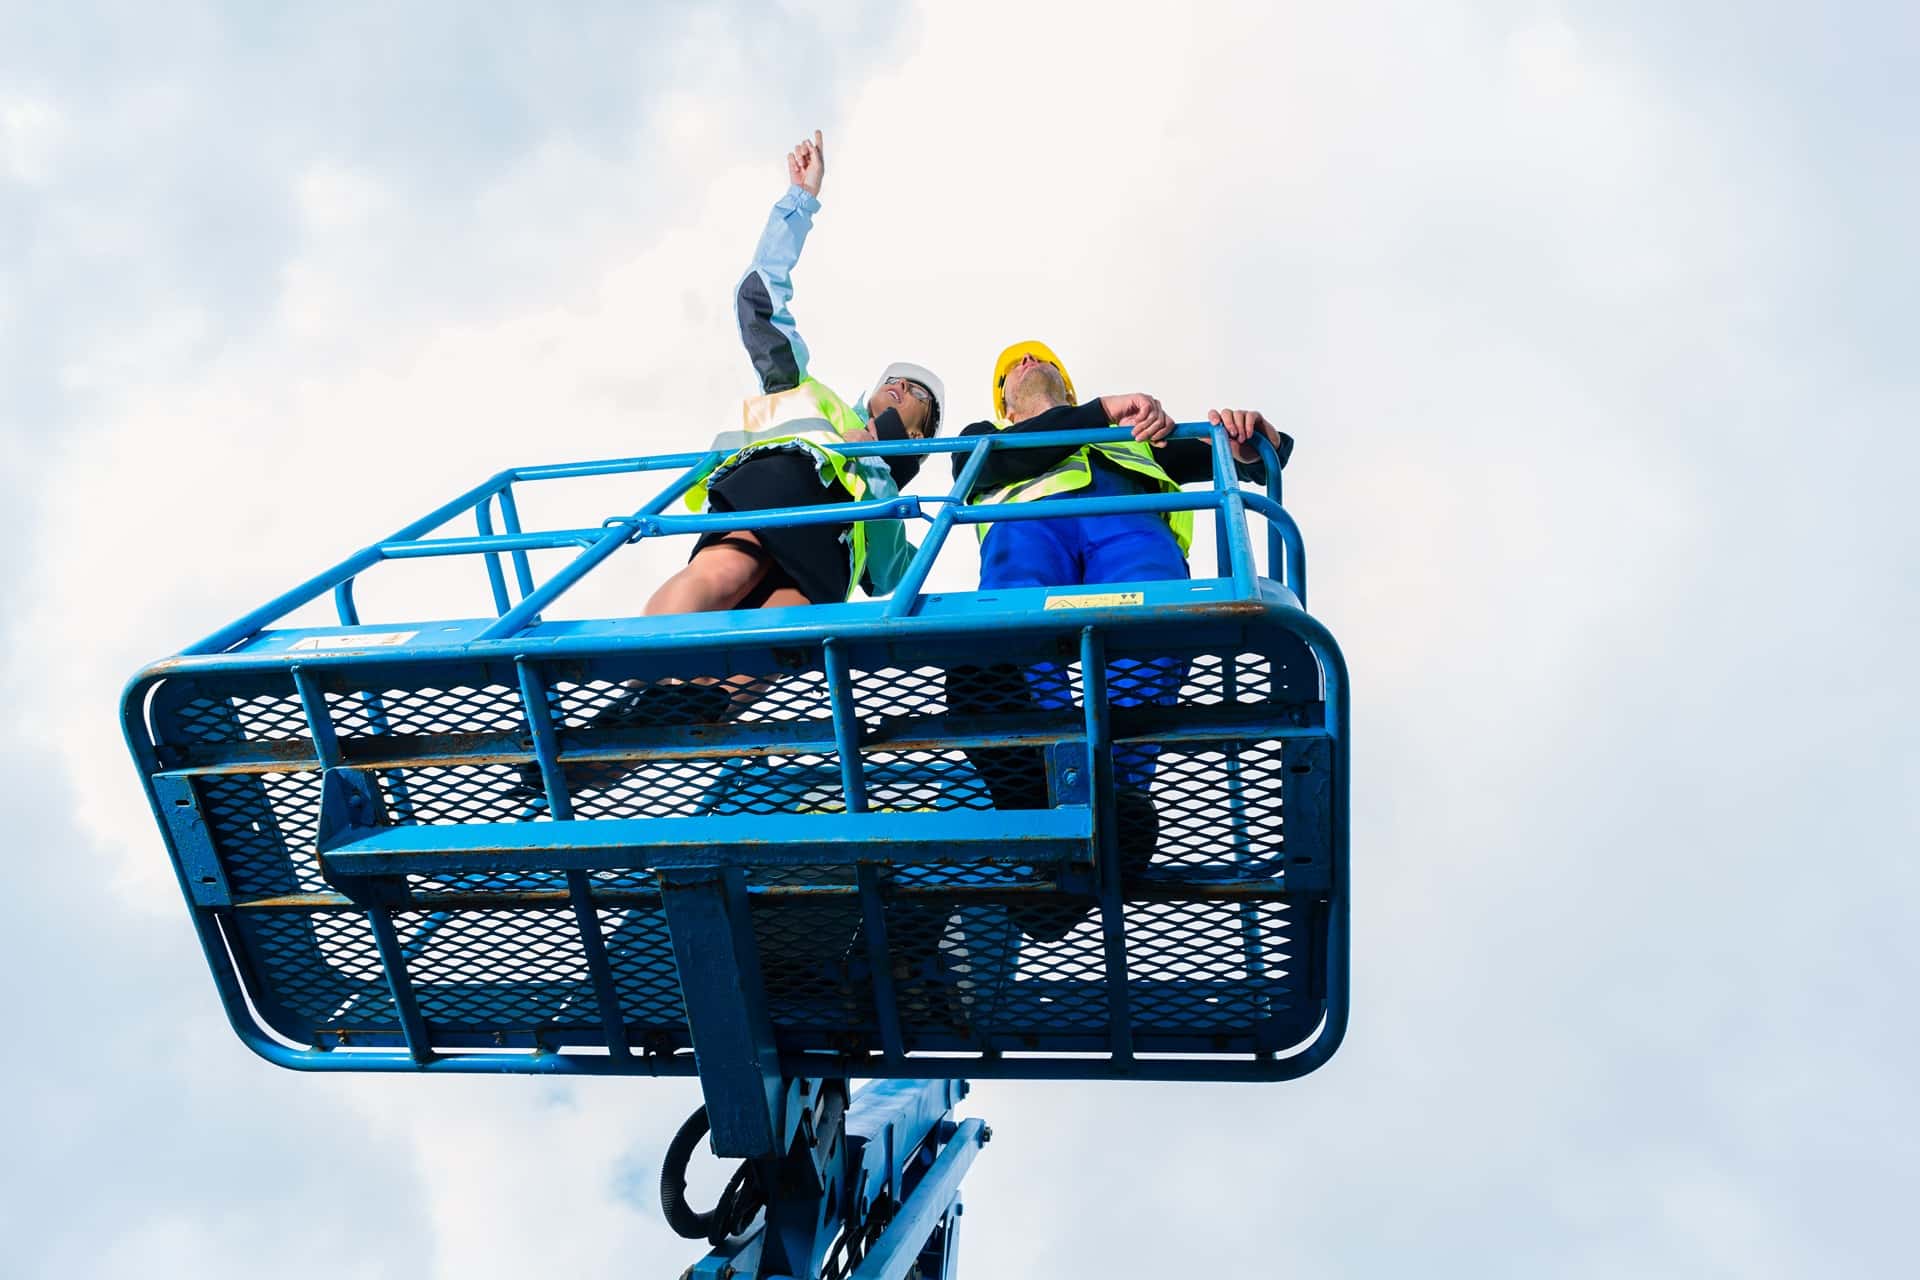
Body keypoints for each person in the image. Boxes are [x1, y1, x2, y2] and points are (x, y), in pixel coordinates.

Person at [595, 130, 946, 730]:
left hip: (831, 549)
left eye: (918, 395)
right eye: (893, 380)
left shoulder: (891, 500)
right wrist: (799, 201)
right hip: (782, 486)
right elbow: (759, 300)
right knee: (731, 571)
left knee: (786, 624)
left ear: (924, 436)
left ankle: (687, 711)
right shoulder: (806, 390)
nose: (901, 390)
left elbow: (894, 575)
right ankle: (640, 683)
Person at [945, 341, 1292, 936]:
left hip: (1127, 526)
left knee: (1145, 630)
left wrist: (1254, 439)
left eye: (1039, 359)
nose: (1026, 364)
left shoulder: (1136, 436)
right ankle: (1052, 791)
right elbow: (981, 464)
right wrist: (1103, 411)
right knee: (1017, 629)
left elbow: (1250, 456)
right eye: (1011, 368)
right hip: (1031, 529)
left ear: (1068, 386)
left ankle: (1113, 801)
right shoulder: (986, 437)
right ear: (1002, 401)